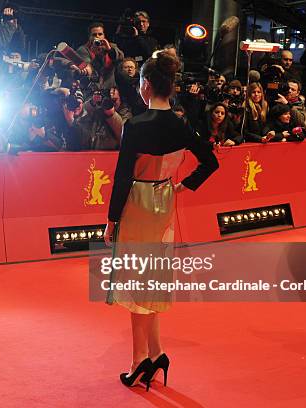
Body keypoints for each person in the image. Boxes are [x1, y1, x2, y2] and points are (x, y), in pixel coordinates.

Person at [103, 51, 219, 390]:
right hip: (165, 202)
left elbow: (122, 178)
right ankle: (155, 352)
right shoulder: (181, 125)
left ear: (147, 85)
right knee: (150, 279)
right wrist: (182, 185)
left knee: (137, 281)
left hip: (138, 204)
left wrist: (111, 221)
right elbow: (210, 163)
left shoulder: (135, 127)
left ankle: (141, 358)